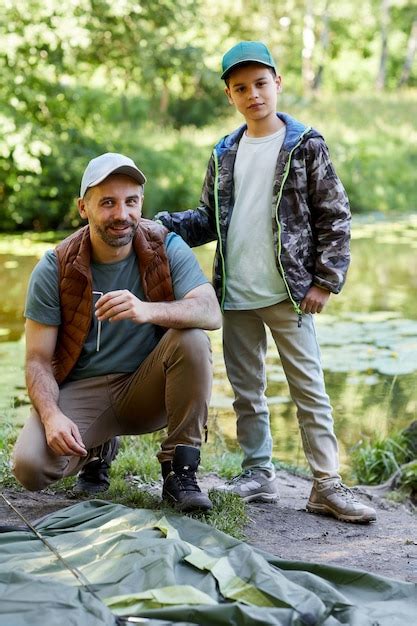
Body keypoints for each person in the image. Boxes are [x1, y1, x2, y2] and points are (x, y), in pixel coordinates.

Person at [155, 41, 376, 523]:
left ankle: (326, 484)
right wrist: (158, 225)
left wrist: (325, 281)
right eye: (240, 88)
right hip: (234, 296)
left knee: (309, 389)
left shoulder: (305, 144)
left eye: (260, 83)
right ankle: (259, 474)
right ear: (230, 96)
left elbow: (334, 216)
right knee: (246, 392)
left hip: (290, 294)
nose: (252, 94)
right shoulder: (224, 151)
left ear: (277, 83)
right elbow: (206, 219)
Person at [12, 152, 222, 513]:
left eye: (131, 202)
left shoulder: (166, 247)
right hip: (84, 390)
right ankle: (96, 450)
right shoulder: (54, 267)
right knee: (30, 467)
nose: (121, 215)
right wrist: (52, 417)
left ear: (142, 203)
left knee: (191, 338)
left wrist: (147, 310)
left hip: (147, 389)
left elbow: (210, 311)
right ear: (83, 207)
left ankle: (180, 472)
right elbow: (37, 360)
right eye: (107, 203)